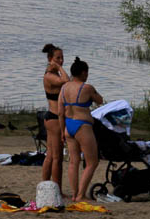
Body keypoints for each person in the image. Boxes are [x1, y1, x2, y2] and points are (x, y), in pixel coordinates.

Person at [58, 57, 104, 203]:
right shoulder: (87, 88)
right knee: (92, 162)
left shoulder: (64, 87)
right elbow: (100, 100)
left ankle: (73, 194)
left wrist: (61, 131)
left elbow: (60, 112)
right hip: (82, 125)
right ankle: (81, 195)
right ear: (84, 73)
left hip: (68, 126)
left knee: (73, 162)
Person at [39, 44, 66, 186]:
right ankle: (57, 190)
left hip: (52, 117)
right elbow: (66, 81)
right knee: (57, 158)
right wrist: (59, 67)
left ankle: (45, 186)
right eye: (58, 58)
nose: (61, 60)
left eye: (62, 58)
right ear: (50, 59)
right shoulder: (50, 76)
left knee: (50, 156)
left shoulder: (53, 74)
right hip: (54, 118)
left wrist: (57, 67)